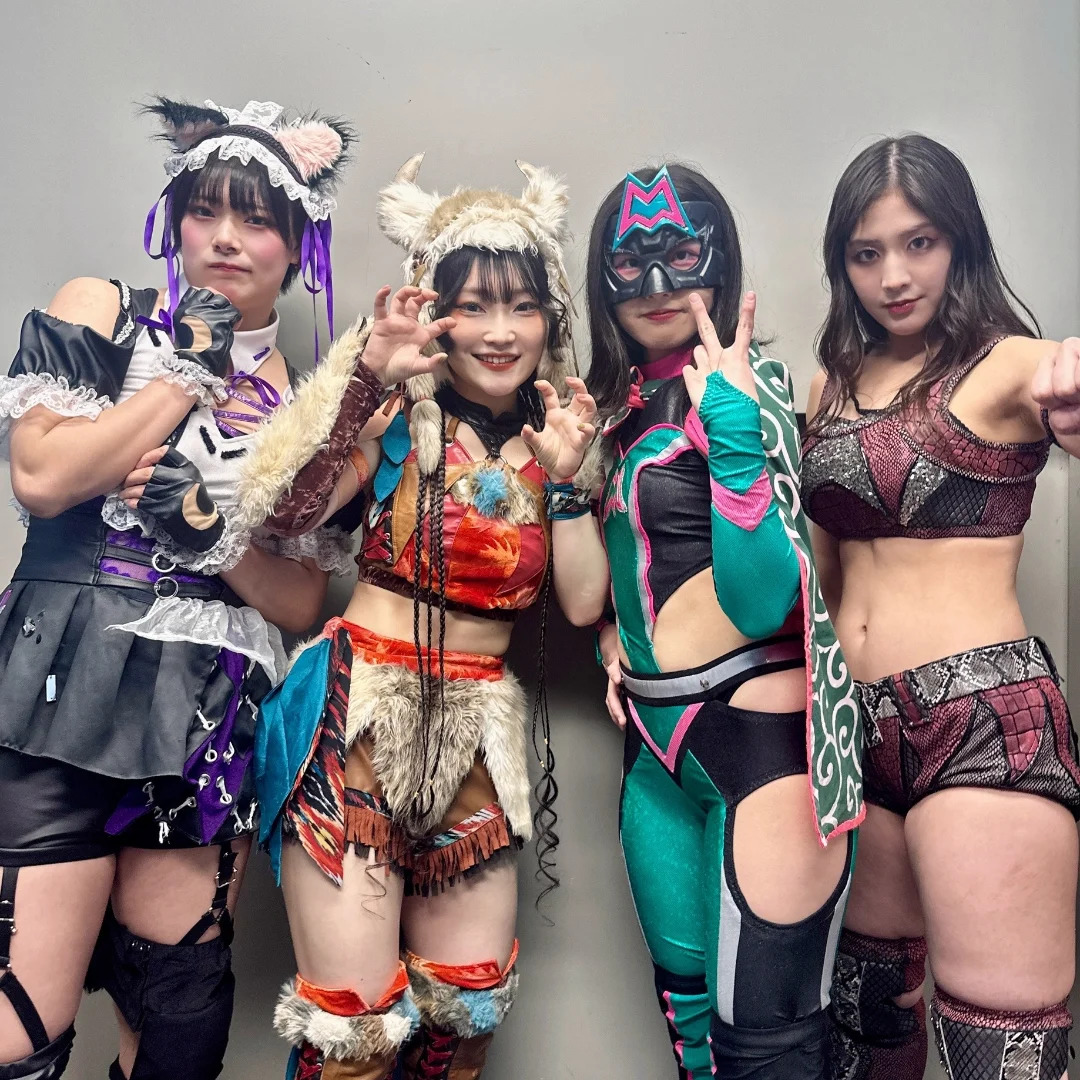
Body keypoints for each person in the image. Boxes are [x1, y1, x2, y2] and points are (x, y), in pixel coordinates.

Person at [0, 96, 354, 1080]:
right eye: (207, 211)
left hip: (200, 709)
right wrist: (180, 380)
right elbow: (42, 477)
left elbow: (300, 604)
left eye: (258, 219)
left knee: (176, 1029)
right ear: (177, 223)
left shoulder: (305, 408)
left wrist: (210, 536)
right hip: (61, 684)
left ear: (298, 245)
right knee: (18, 1035)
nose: (228, 237)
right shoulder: (101, 310)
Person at [236, 155, 609, 1080]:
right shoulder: (397, 411)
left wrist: (567, 483)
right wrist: (365, 381)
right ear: (435, 311)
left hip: (479, 739)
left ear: (550, 319)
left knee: (464, 1017)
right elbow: (282, 514)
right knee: (355, 1031)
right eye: (472, 305)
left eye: (521, 306)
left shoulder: (560, 435)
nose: (499, 331)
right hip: (358, 719)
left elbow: (582, 602)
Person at [802, 133, 1080, 1080]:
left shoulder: (1007, 364)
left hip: (979, 726)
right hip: (854, 731)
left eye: (919, 243)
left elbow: (1065, 379)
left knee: (1000, 1043)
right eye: (867, 252)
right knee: (865, 1025)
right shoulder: (830, 386)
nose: (894, 276)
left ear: (960, 240)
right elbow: (823, 578)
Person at [585, 163, 862, 1079]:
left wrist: (737, 433)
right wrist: (613, 641)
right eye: (633, 260)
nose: (659, 282)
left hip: (758, 751)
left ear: (720, 256)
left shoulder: (759, 388)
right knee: (693, 1035)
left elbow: (761, 600)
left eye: (680, 252)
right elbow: (613, 589)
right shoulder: (615, 417)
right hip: (655, 755)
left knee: (768, 1053)